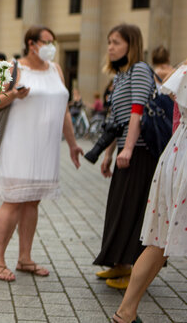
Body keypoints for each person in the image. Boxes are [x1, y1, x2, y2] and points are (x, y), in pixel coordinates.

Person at [0, 25, 82, 282]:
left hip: (46, 146)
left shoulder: (56, 69)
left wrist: (73, 144)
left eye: (53, 41)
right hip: (18, 144)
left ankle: (25, 258)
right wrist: (14, 95)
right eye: (47, 41)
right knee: (13, 200)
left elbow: (64, 109)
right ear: (31, 44)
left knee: (32, 201)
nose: (51, 46)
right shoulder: (13, 68)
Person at [112, 61, 187, 323]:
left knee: (159, 242)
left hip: (176, 157)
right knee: (159, 242)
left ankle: (125, 311)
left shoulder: (182, 71)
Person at [93, 24, 158, 290]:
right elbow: (115, 121)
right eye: (109, 42)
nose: (110, 47)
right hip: (126, 149)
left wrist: (129, 148)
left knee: (132, 208)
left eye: (116, 42)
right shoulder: (121, 76)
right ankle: (119, 263)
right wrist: (109, 154)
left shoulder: (140, 70)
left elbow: (137, 112)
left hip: (142, 151)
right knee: (119, 207)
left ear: (131, 45)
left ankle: (133, 270)